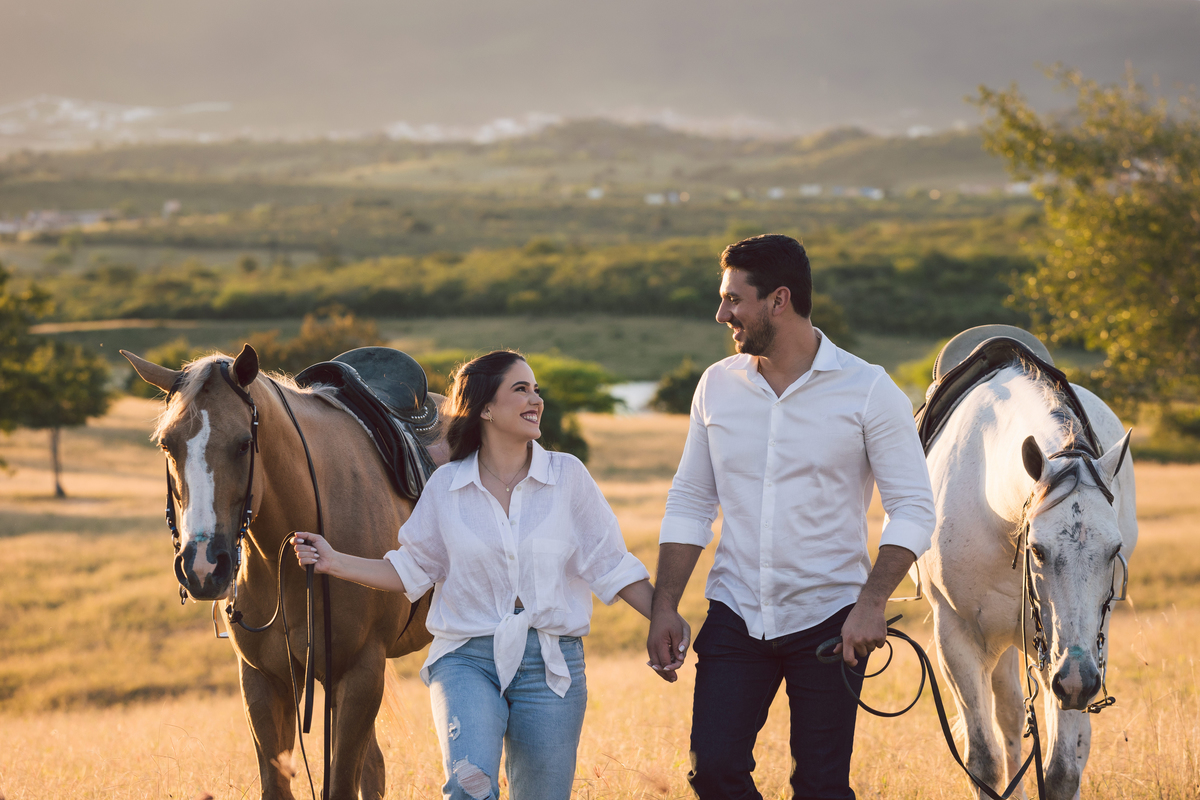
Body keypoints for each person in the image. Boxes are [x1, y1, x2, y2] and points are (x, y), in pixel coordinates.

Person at [293, 350, 687, 800]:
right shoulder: (446, 486)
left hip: (552, 663)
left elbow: (610, 564)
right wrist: (333, 561)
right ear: (484, 408)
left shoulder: (568, 477)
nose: (535, 398)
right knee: (469, 787)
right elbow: (409, 569)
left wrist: (662, 615)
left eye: (536, 389)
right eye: (520, 389)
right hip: (466, 658)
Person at [646, 234, 936, 800]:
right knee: (715, 772)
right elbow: (690, 501)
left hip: (832, 620)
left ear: (779, 301)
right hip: (736, 613)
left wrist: (872, 603)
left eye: (734, 300)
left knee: (822, 787)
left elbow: (913, 507)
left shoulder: (869, 390)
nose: (721, 313)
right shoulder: (716, 386)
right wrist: (665, 606)